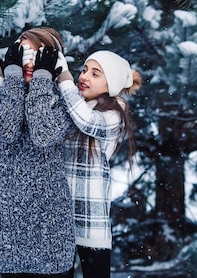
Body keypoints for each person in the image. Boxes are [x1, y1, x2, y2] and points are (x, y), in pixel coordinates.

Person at [0, 27, 75, 278]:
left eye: (40, 56)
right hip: (11, 232)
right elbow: (6, 130)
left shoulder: (64, 103)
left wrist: (43, 79)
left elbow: (43, 133)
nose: (31, 62)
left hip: (53, 230)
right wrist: (12, 79)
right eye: (24, 54)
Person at [54, 50, 142, 278]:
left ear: (110, 84)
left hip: (91, 219)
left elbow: (87, 121)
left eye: (95, 74)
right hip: (59, 215)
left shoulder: (115, 113)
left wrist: (65, 82)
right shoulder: (75, 104)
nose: (84, 77)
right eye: (84, 70)